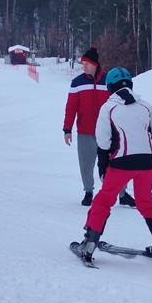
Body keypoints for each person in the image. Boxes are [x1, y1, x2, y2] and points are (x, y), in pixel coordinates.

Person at [73, 67, 152, 262]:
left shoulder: (108, 108)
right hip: (148, 163)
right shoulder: (145, 106)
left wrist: (102, 165)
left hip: (121, 164)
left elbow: (103, 141)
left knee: (103, 200)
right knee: (145, 201)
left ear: (109, 87)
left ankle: (90, 242)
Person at [63, 48, 135, 208]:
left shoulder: (109, 81)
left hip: (109, 131)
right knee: (86, 164)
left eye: (87, 63)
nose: (84, 67)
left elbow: (120, 102)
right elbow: (71, 107)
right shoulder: (77, 83)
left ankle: (122, 194)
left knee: (116, 164)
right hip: (85, 132)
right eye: (83, 63)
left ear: (95, 64)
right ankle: (88, 192)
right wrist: (67, 129)